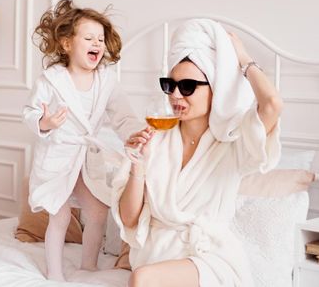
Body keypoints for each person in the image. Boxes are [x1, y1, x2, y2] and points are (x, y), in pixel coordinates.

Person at [112, 19, 283, 287]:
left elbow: (272, 104)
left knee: (142, 280)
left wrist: (243, 60)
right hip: (153, 257)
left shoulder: (233, 140)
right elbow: (129, 219)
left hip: (207, 258)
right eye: (170, 85)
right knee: (144, 276)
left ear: (215, 87)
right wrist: (138, 167)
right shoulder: (156, 136)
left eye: (188, 86)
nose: (176, 96)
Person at [23, 0, 141, 281]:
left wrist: (136, 134)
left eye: (100, 39)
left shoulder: (106, 81)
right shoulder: (52, 79)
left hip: (87, 159)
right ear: (66, 44)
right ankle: (54, 273)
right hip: (59, 157)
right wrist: (45, 123)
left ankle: (88, 266)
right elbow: (29, 112)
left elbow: (123, 117)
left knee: (98, 211)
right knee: (60, 215)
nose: (97, 44)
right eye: (89, 38)